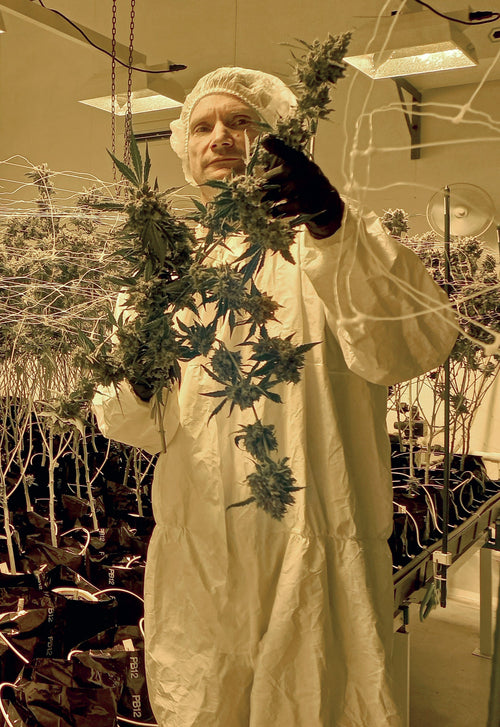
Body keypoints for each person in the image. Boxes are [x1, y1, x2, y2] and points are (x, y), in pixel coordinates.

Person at [92, 67, 458, 727]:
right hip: (200, 551)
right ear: (185, 147)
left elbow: (417, 342)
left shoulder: (332, 241)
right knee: (205, 704)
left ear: (277, 141)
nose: (221, 137)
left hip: (317, 539)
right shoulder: (167, 269)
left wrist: (333, 223)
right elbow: (125, 420)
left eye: (241, 122)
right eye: (204, 125)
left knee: (316, 700)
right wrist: (140, 365)